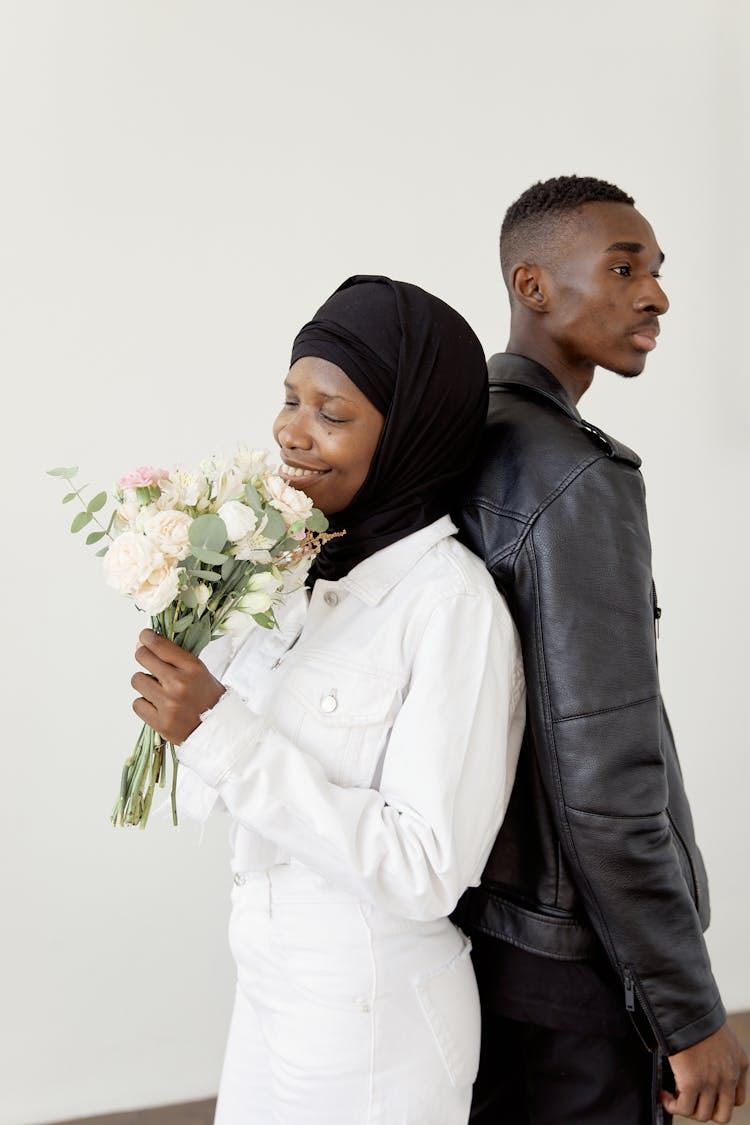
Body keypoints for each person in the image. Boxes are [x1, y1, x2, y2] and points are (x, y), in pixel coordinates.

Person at [130, 275, 526, 1125]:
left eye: (330, 413)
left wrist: (219, 729)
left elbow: (425, 867)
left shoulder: (448, 608)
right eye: (289, 399)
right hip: (269, 996)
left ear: (413, 431)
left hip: (374, 1027)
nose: (289, 430)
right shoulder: (289, 575)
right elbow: (213, 786)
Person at [456, 175, 748, 1125]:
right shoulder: (576, 475)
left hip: (480, 933)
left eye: (658, 271)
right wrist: (689, 1009)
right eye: (623, 267)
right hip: (576, 963)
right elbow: (607, 775)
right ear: (531, 285)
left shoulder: (458, 439)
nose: (655, 294)